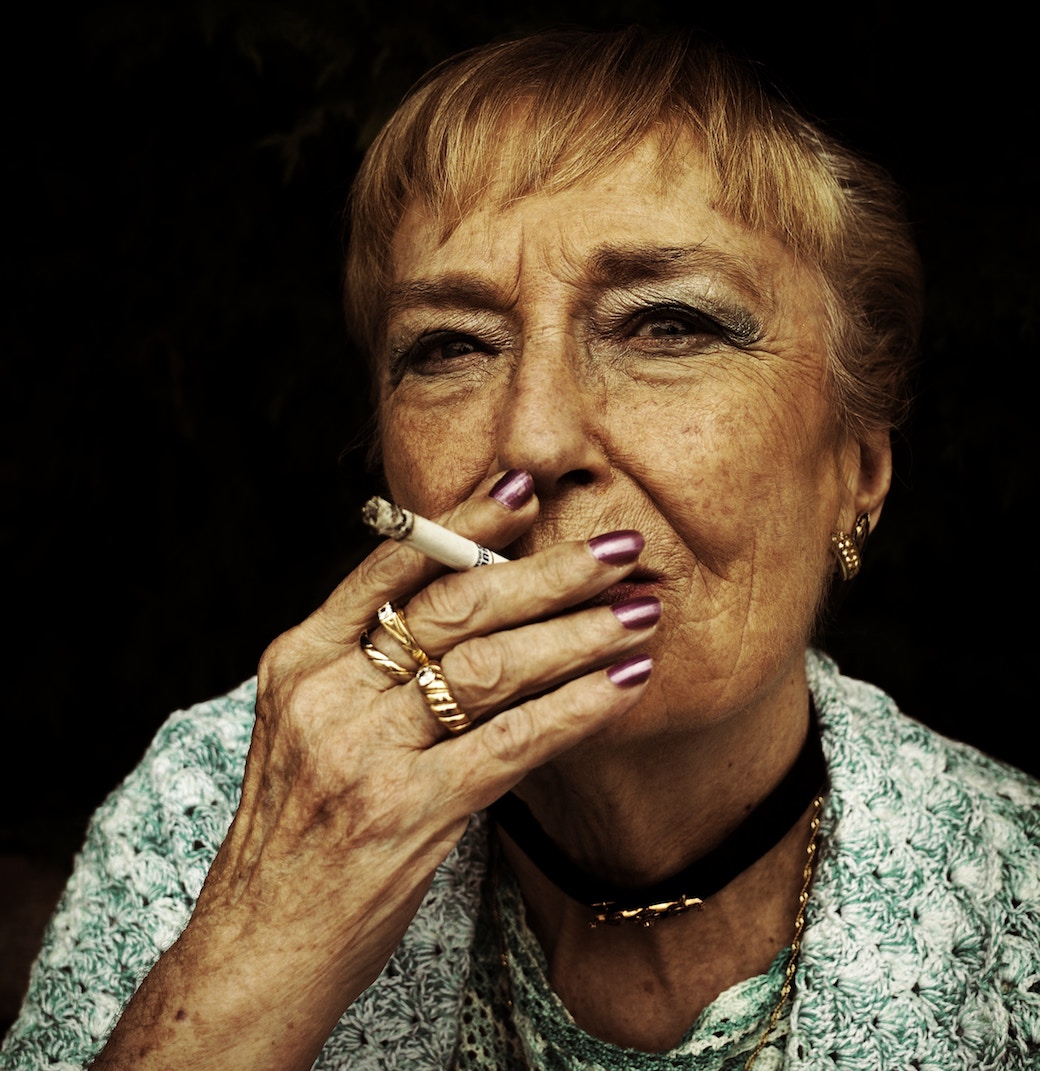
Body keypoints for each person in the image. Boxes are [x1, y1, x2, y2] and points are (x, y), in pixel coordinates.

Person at [3, 27, 1038, 1071]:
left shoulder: (1015, 902)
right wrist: (261, 947)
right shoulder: (213, 815)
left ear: (855, 470)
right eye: (450, 346)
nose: (534, 439)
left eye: (665, 325)